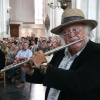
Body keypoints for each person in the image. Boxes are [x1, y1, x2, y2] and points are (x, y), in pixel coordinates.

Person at [21, 9, 100, 100]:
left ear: (86, 31)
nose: (71, 35)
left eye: (75, 30)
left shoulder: (96, 51)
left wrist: (43, 65)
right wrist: (30, 71)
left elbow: (79, 82)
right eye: (66, 32)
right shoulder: (60, 52)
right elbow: (50, 77)